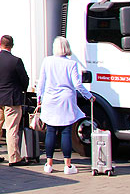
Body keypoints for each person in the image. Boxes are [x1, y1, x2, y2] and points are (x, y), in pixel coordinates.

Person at [37, 36, 94, 174]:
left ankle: (49, 164)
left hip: (50, 99)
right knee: (66, 132)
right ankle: (67, 165)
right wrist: (89, 96)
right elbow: (77, 85)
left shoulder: (47, 61)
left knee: (50, 131)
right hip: (66, 100)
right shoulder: (71, 64)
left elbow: (41, 82)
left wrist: (39, 98)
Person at [0, 34, 31, 166]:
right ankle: (14, 158)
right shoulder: (16, 61)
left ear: (0, 44)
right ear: (12, 45)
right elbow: (24, 79)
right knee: (11, 128)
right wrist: (23, 89)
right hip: (12, 98)